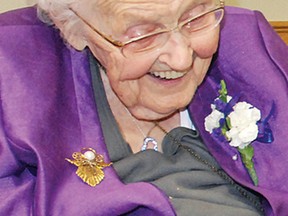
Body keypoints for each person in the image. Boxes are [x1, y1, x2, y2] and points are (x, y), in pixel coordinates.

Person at [0, 0, 287, 215]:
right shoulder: (13, 72)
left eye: (195, 17)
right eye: (143, 34)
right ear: (73, 27)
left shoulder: (252, 49)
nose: (181, 59)